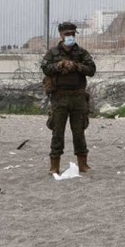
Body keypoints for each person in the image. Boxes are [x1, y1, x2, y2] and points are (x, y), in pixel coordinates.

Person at [40, 22, 96, 175]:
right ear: (61, 35)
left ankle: (83, 164)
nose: (70, 36)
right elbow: (45, 69)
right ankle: (54, 165)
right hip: (59, 97)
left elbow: (91, 70)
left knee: (79, 132)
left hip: (78, 97)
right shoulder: (52, 53)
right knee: (57, 132)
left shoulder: (81, 53)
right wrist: (59, 65)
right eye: (67, 34)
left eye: (72, 34)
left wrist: (77, 66)